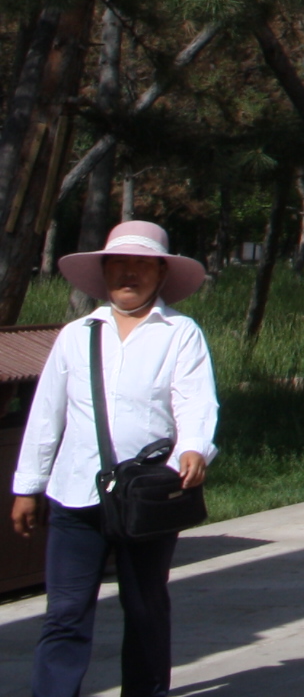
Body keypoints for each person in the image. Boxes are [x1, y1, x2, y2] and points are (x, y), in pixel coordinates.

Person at [13, 222, 216, 697]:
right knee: (65, 613)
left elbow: (195, 401)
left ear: (160, 274)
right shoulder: (76, 335)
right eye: (120, 263)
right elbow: (48, 414)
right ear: (104, 271)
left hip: (147, 497)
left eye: (142, 264)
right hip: (74, 495)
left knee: (145, 608)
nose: (130, 273)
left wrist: (194, 447)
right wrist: (28, 485)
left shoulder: (180, 334)